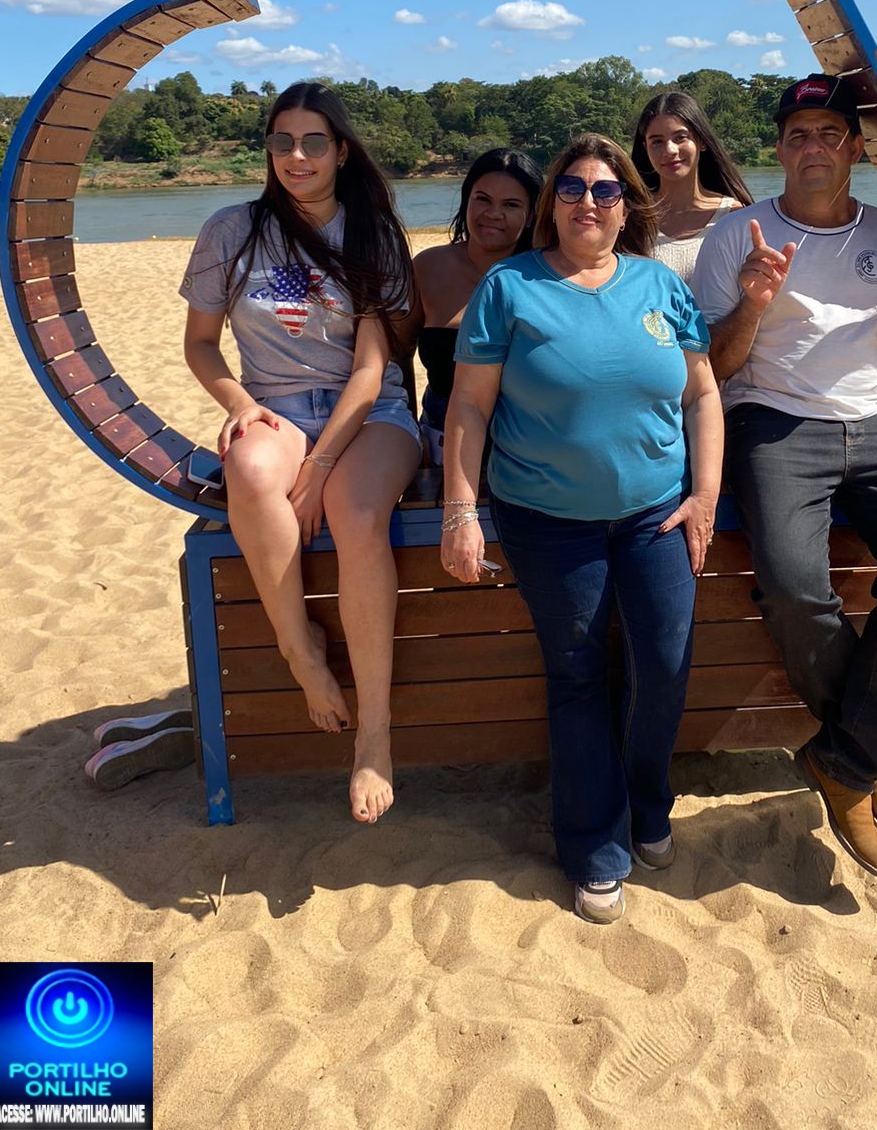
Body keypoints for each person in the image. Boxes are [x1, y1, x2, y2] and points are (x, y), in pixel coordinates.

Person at [439, 133, 723, 925]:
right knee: (578, 676)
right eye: (571, 188)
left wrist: (705, 495)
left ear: (627, 205)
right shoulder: (509, 287)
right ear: (551, 204)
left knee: (663, 664)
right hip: (547, 519)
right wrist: (461, 510)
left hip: (655, 513)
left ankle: (647, 802)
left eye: (604, 189)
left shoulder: (660, 285)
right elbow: (469, 407)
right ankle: (594, 844)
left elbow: (702, 395)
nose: (587, 202)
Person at [690, 73, 877, 880]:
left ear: (854, 149)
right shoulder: (736, 235)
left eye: (829, 134)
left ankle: (847, 759)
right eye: (797, 135)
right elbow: (711, 368)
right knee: (791, 585)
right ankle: (869, 753)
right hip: (774, 421)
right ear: (780, 151)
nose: (813, 147)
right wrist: (752, 303)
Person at [180, 81, 421, 825]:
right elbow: (200, 344)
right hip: (274, 407)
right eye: (282, 140)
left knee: (356, 512)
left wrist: (319, 468)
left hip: (369, 412)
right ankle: (300, 651)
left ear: (341, 151)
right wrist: (240, 405)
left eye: (314, 141)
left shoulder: (373, 234)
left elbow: (371, 372)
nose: (297, 155)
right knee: (249, 469)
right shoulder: (232, 230)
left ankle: (374, 735)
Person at [413, 148, 542, 465]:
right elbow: (395, 359)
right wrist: (407, 430)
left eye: (511, 205)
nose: (493, 213)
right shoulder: (428, 268)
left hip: (527, 452)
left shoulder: (546, 278)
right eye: (482, 199)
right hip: (440, 441)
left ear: (531, 215)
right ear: (466, 200)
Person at [631, 91, 753, 286]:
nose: (670, 150)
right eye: (657, 141)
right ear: (645, 147)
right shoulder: (633, 217)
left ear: (701, 141)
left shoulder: (733, 216)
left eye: (680, 138)